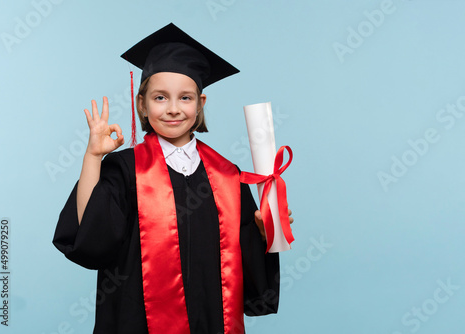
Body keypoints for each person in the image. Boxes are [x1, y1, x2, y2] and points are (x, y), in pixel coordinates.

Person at [53, 23, 291, 334]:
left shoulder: (228, 175)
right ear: (142, 104)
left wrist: (266, 234)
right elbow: (90, 237)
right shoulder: (125, 169)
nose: (174, 109)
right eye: (160, 98)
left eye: (186, 98)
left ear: (200, 104)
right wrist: (93, 158)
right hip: (136, 321)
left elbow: (252, 280)